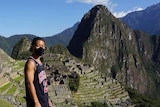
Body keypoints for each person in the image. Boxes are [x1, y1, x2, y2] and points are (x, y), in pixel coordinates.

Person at [24, 37, 53, 107]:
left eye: (43, 46)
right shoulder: (31, 63)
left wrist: (48, 100)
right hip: (37, 103)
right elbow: (29, 83)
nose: (41, 48)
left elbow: (43, 84)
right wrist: (36, 102)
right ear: (33, 47)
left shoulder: (40, 62)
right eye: (39, 46)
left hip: (44, 100)